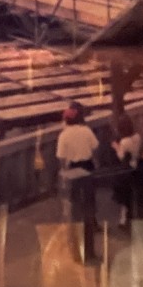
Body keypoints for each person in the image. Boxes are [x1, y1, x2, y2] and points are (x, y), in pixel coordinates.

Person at [56, 105, 99, 260]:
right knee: (89, 202)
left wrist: (63, 175)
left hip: (73, 170)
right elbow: (95, 148)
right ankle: (90, 245)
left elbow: (61, 158)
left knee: (74, 208)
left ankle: (75, 248)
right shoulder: (86, 130)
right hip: (87, 167)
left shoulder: (63, 136)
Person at [110, 115, 141, 228]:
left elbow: (121, 156)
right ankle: (128, 217)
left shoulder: (124, 141)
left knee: (125, 196)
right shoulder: (137, 137)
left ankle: (124, 220)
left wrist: (116, 147)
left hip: (126, 171)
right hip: (136, 167)